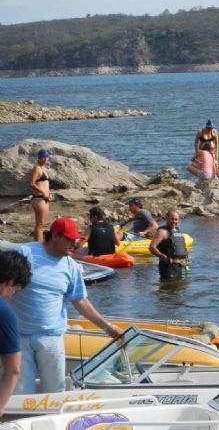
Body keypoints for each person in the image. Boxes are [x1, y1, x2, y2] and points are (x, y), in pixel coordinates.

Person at [11, 217, 123, 394]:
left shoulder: (71, 265)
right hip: (18, 336)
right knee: (21, 393)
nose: (75, 243)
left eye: (76, 239)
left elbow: (80, 301)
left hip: (51, 337)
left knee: (56, 391)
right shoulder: (25, 253)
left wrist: (107, 327)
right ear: (55, 236)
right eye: (70, 239)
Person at [0, 251, 32, 418]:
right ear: (10, 281)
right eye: (15, 290)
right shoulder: (5, 314)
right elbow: (13, 370)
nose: (11, 297)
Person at [148, 210, 188, 280]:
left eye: (176, 219)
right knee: (168, 289)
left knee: (179, 288)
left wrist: (184, 260)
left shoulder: (178, 231)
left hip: (179, 267)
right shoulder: (162, 232)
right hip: (167, 267)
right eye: (171, 219)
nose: (174, 221)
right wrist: (164, 257)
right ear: (166, 219)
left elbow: (182, 248)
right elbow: (152, 247)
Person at [29, 149, 54, 242]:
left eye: (48, 157)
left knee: (40, 224)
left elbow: (45, 183)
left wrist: (49, 193)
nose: (48, 159)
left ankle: (38, 243)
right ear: (42, 158)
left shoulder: (43, 168)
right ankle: (39, 245)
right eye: (47, 157)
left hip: (44, 199)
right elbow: (32, 184)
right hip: (39, 199)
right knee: (40, 225)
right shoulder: (37, 168)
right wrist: (43, 193)